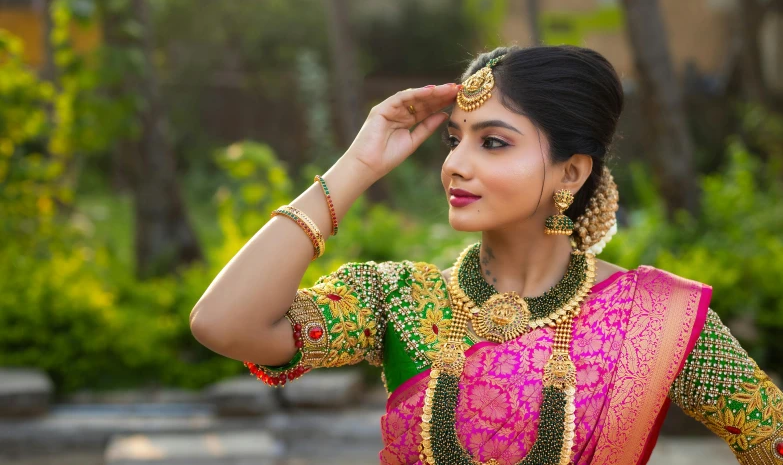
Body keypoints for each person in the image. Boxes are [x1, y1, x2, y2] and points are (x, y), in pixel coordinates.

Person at [189, 45, 783, 465]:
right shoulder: (399, 300)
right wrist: (358, 166)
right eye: (455, 141)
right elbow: (225, 324)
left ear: (571, 172)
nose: (455, 164)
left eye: (493, 142)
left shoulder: (658, 319)